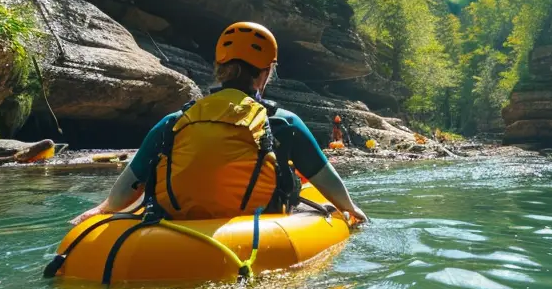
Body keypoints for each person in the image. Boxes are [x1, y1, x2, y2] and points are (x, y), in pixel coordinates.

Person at [71, 22, 368, 226]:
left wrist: (104, 208)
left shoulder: (174, 122)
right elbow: (325, 178)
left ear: (219, 68)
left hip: (172, 230)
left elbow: (127, 188)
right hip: (253, 231)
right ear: (266, 73)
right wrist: (349, 209)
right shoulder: (282, 123)